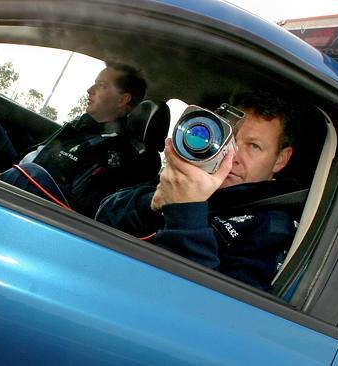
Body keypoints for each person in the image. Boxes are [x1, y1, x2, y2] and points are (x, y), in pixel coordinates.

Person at [95, 90, 299, 290]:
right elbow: (103, 216)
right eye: (231, 140)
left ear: (280, 159)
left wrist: (186, 211)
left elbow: (214, 311)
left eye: (253, 146)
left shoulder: (271, 228)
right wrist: (155, 202)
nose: (234, 155)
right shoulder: (191, 178)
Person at [0, 61, 160, 217]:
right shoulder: (82, 126)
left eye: (102, 85)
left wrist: (17, 181)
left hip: (28, 207)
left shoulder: (115, 155)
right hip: (19, 182)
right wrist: (9, 177)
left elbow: (71, 208)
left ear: (122, 99)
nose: (90, 90)